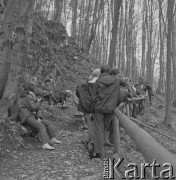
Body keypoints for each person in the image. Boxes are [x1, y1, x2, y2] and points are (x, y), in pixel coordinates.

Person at [90, 65, 121, 158]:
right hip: (111, 109)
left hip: (99, 108)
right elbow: (118, 96)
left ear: (101, 72)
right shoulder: (116, 81)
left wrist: (92, 108)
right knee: (104, 128)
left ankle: (98, 151)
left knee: (99, 129)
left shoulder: (98, 81)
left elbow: (93, 96)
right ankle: (100, 147)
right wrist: (116, 105)